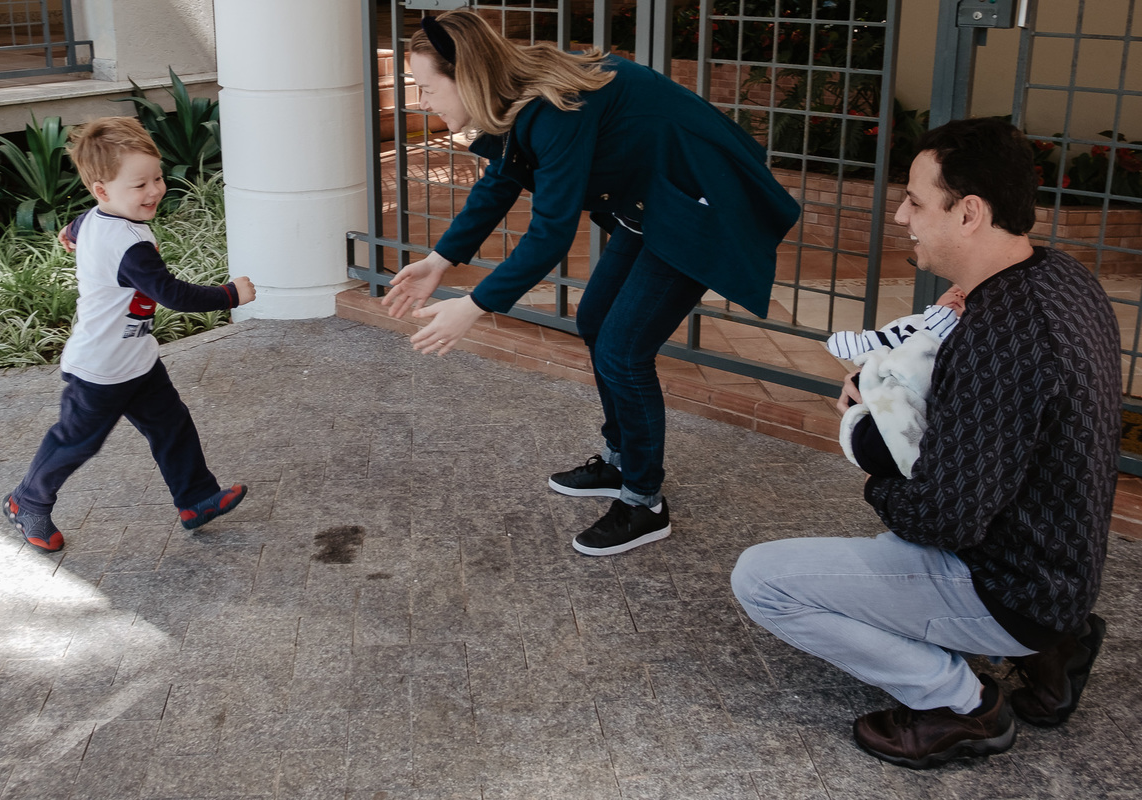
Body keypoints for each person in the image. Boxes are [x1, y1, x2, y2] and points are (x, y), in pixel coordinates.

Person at [731, 117, 1119, 769]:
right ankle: (1056, 647)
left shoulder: (999, 337)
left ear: (968, 212)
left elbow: (942, 519)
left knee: (763, 581)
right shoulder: (1061, 279)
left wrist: (874, 451)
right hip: (1062, 574)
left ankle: (960, 705)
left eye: (915, 199)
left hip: (1010, 588)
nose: (903, 214)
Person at [382, 9, 800, 555]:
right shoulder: (520, 96)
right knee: (597, 321)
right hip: (655, 198)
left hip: (702, 207)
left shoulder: (554, 110)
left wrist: (477, 304)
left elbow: (551, 233)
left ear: (468, 76)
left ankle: (643, 502)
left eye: (425, 87)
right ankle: (623, 458)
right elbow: (502, 179)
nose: (422, 101)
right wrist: (441, 259)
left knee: (624, 351)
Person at [2, 117, 255, 553]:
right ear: (104, 190)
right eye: (140, 185)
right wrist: (228, 294)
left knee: (172, 426)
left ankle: (197, 500)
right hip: (99, 370)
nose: (154, 190)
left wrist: (70, 230)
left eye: (156, 177)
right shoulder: (130, 247)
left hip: (137, 361)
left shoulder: (102, 216)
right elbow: (171, 293)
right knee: (76, 442)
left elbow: (82, 223)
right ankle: (26, 501)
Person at [830, 286, 966, 479]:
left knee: (905, 418)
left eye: (967, 296)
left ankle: (905, 458)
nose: (959, 295)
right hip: (892, 376)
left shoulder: (967, 332)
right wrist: (860, 346)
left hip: (922, 386)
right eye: (954, 289)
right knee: (874, 391)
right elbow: (883, 341)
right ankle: (872, 439)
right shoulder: (915, 322)